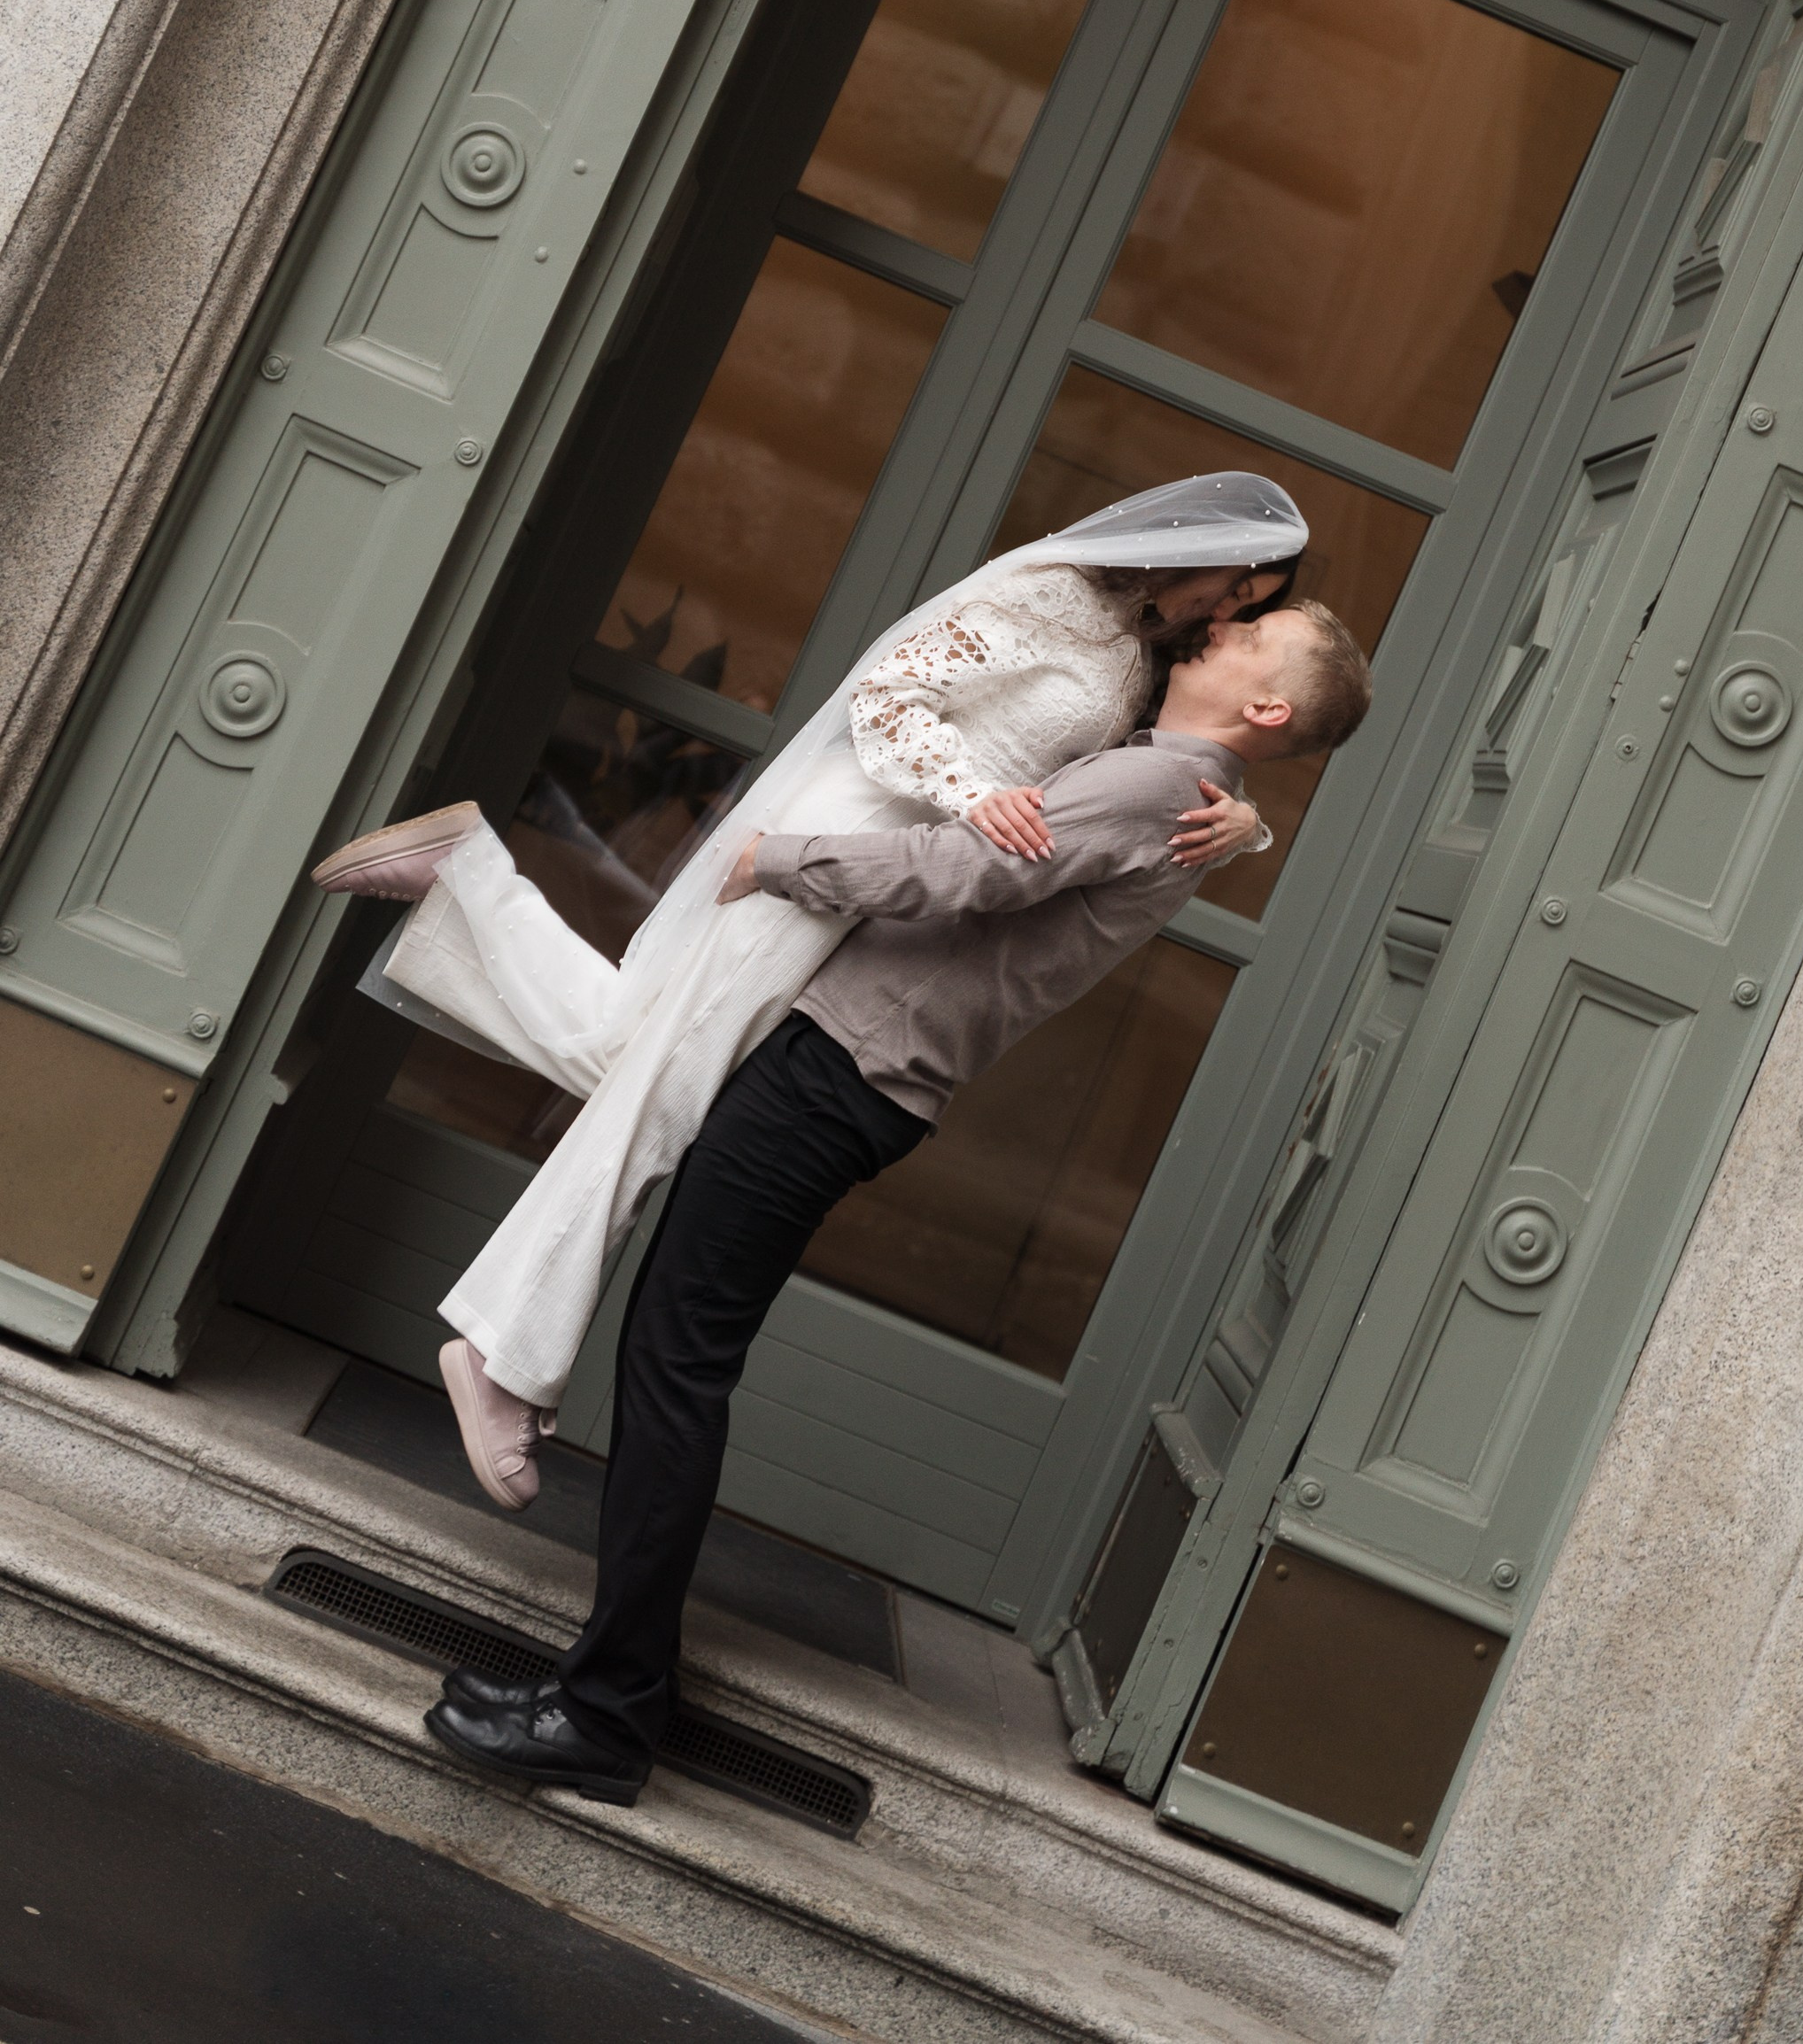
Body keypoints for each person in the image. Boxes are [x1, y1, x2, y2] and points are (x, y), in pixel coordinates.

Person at [418, 591, 1374, 1803]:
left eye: (1252, 633)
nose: (1223, 626)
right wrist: (1252, 824)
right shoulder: (1165, 780)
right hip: (843, 1070)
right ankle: (596, 1685)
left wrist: (780, 858)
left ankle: (606, 1713)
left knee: (676, 1361)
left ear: (1265, 703)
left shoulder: (1154, 789)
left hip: (841, 1076)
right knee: (675, 1350)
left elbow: (970, 870)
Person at [308, 476, 1307, 1498]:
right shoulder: (1054, 592)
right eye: (1237, 587)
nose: (1229, 611)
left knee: (636, 1049)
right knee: (668, 1085)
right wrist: (975, 796)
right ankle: (501, 1356)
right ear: (1200, 547)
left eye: (1247, 608)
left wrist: (1248, 821)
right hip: (857, 829)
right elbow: (887, 691)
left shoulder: (1137, 650)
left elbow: (1154, 779)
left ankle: (467, 873)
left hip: (885, 873)